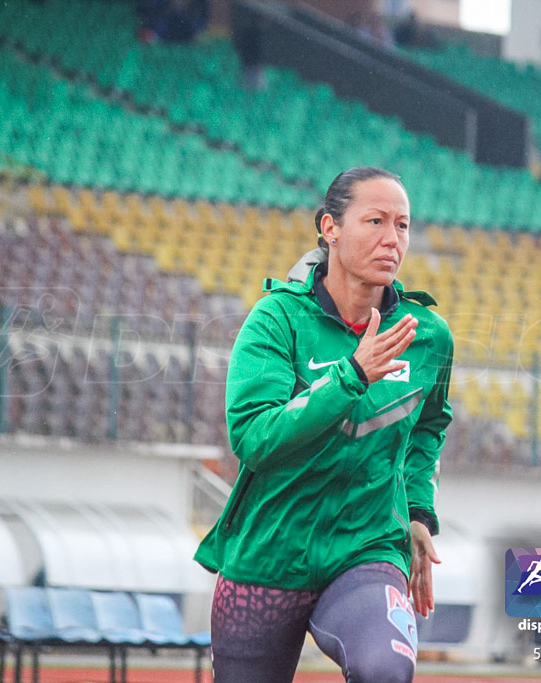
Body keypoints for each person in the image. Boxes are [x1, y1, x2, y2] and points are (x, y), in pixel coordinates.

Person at [194, 167, 454, 683]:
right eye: (375, 220)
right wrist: (351, 375)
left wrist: (419, 512)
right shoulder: (275, 320)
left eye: (402, 225)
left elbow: (428, 426)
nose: (392, 239)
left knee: (386, 669)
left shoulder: (427, 335)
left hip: (368, 546)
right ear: (330, 228)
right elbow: (254, 438)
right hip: (267, 556)